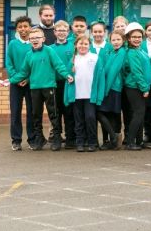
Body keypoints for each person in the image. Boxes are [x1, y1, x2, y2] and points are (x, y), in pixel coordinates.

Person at [9, 27, 73, 151]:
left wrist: (66, 75)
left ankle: (56, 138)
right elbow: (23, 72)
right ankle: (39, 138)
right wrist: (10, 80)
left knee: (53, 114)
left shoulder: (49, 51)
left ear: (43, 39)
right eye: (32, 38)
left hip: (49, 87)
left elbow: (58, 65)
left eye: (37, 38)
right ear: (29, 40)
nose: (34, 40)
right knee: (35, 115)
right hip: (34, 89)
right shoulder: (29, 55)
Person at [64, 36, 105, 152]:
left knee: (90, 118)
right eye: (80, 44)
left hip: (90, 96)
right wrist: (67, 96)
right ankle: (80, 142)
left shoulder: (95, 58)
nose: (83, 46)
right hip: (76, 96)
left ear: (89, 45)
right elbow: (68, 79)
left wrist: (99, 95)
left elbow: (100, 78)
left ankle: (92, 142)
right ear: (76, 45)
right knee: (78, 120)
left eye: (85, 44)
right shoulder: (73, 59)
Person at [122, 22, 151, 151]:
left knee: (141, 113)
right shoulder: (132, 52)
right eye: (134, 37)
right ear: (128, 38)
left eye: (139, 36)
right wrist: (144, 88)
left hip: (141, 87)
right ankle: (130, 142)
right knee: (138, 113)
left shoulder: (141, 50)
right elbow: (136, 72)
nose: (137, 39)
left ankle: (139, 141)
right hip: (135, 88)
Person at [6, 16, 33, 151]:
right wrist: (16, 79)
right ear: (17, 29)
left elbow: (35, 64)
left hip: (31, 83)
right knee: (15, 112)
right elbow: (9, 63)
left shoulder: (34, 44)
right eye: (20, 27)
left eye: (25, 26)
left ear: (30, 28)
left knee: (31, 112)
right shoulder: (12, 44)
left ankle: (32, 139)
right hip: (16, 84)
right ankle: (16, 140)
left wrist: (27, 79)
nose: (23, 29)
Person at [98, 29, 126, 150]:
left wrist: (105, 90)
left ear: (123, 40)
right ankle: (112, 140)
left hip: (113, 88)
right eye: (113, 40)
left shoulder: (121, 52)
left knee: (104, 113)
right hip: (109, 87)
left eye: (118, 39)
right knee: (109, 114)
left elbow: (113, 72)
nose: (116, 42)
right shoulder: (112, 52)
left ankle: (114, 139)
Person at [50, 20, 76, 150]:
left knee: (69, 111)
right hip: (55, 84)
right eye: (59, 30)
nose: (61, 33)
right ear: (54, 32)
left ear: (68, 32)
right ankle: (57, 138)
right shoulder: (50, 49)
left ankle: (70, 138)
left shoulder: (73, 46)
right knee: (56, 112)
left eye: (64, 30)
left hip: (69, 83)